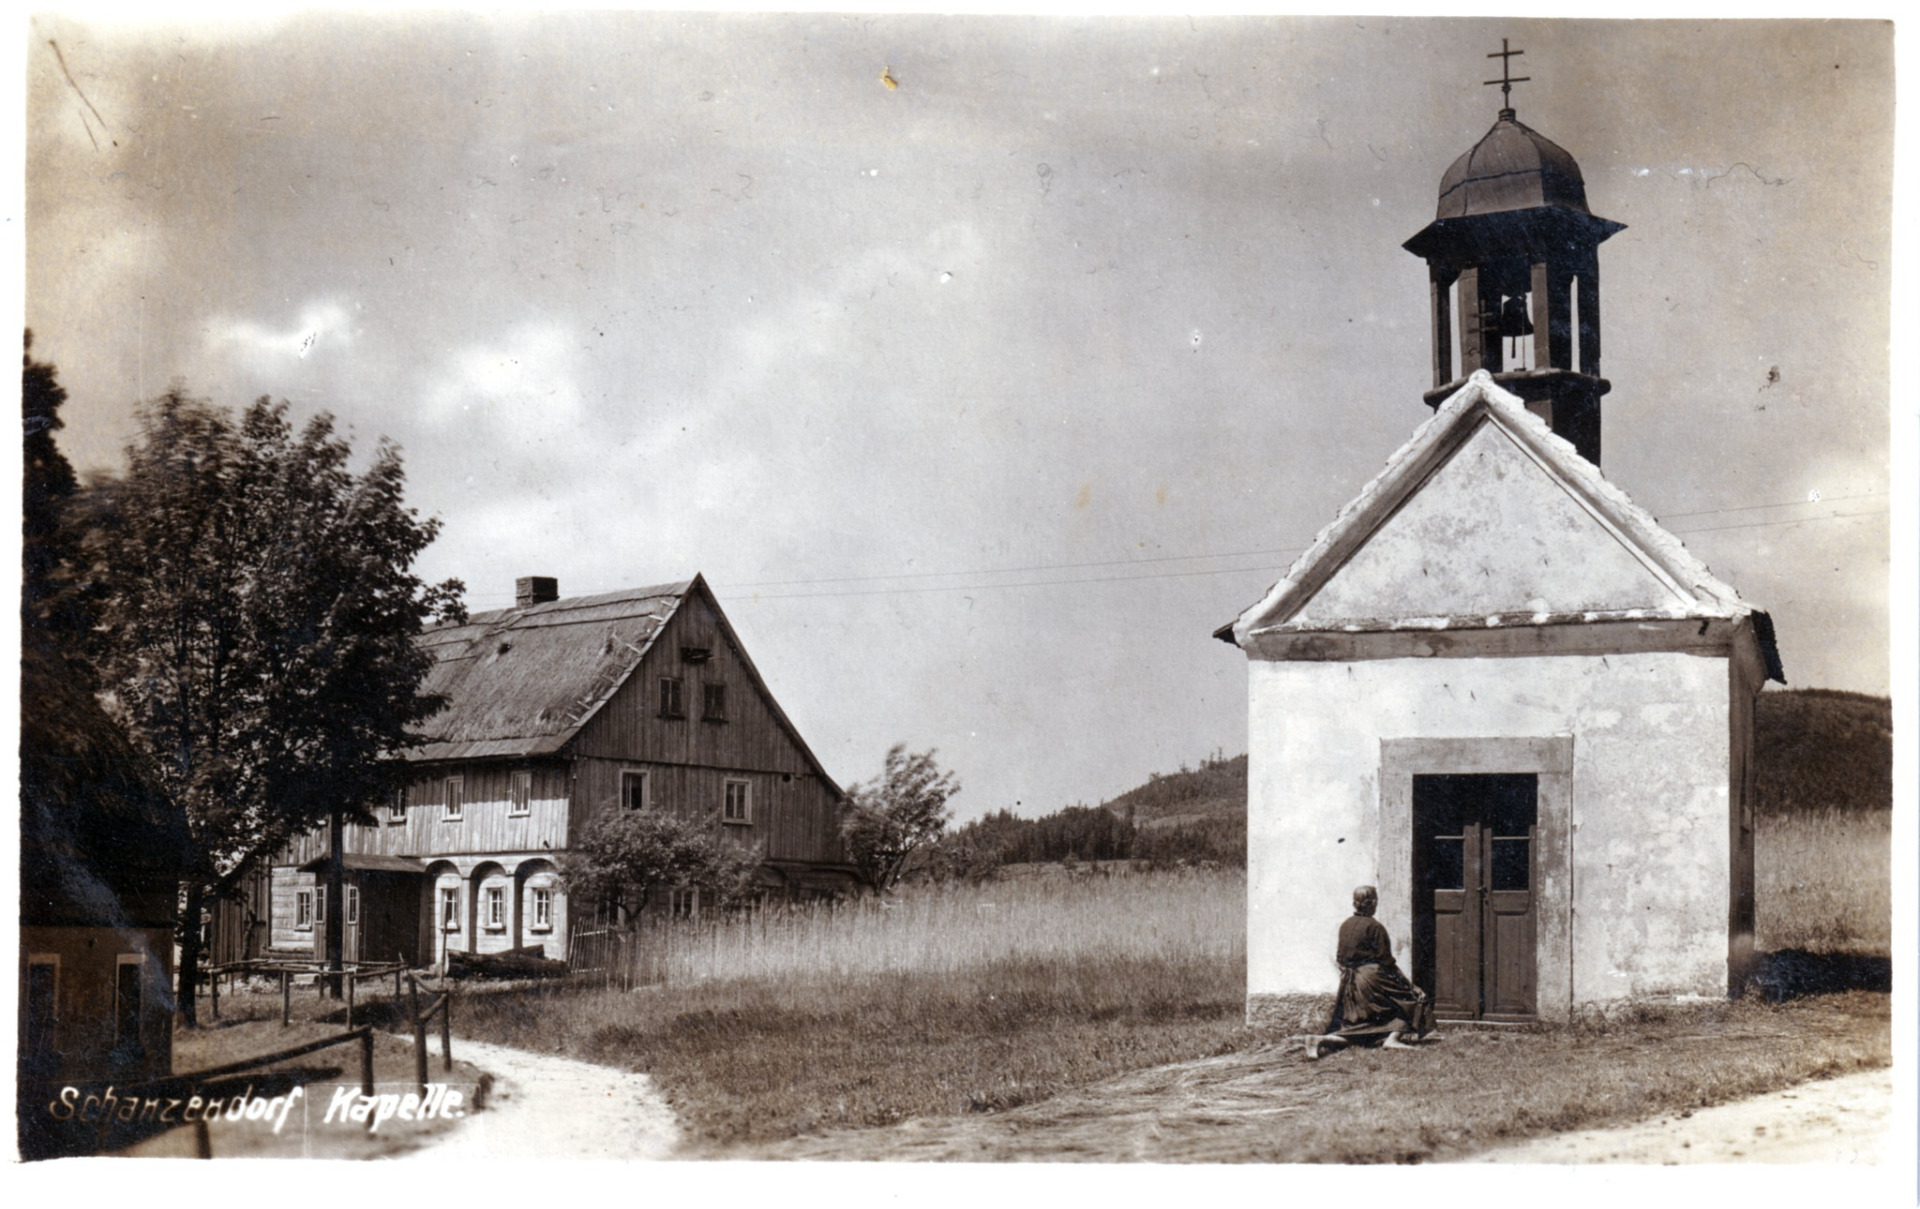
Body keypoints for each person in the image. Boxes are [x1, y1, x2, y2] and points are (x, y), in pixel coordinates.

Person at [1304, 885, 1435, 1060]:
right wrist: (1411, 986)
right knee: (1410, 1000)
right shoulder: (1375, 927)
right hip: (1372, 977)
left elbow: (1340, 958)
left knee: (1361, 1034)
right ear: (1372, 903)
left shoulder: (1345, 925)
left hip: (1350, 982)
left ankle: (1318, 1040)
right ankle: (1393, 1039)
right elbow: (1387, 962)